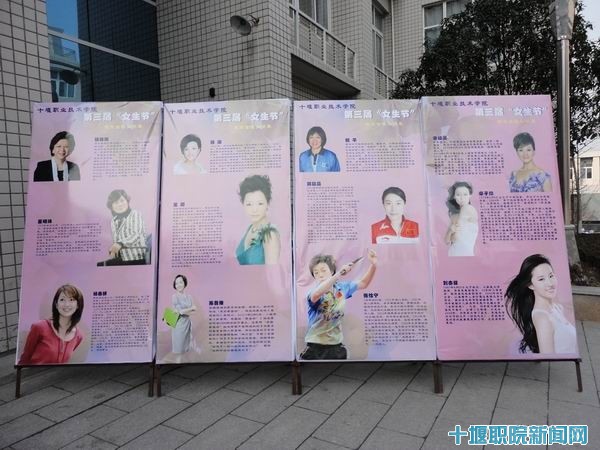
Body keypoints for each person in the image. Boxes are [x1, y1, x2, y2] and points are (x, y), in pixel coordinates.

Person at [300, 249, 377, 360]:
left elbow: (364, 283)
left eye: (323, 270)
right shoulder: (313, 293)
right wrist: (339, 274)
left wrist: (373, 265)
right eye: (316, 272)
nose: (320, 274)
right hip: (315, 346)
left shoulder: (342, 288)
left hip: (336, 345)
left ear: (331, 271)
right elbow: (317, 294)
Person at [505, 254, 577, 354]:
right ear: (530, 285)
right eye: (541, 279)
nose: (550, 284)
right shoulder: (542, 318)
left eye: (551, 276)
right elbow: (548, 358)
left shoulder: (557, 308)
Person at [18, 284, 84, 365]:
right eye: (62, 300)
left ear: (78, 305)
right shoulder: (39, 327)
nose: (67, 304)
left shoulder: (78, 336)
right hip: (34, 373)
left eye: (71, 300)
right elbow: (25, 359)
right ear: (56, 304)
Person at [236, 175, 280, 265]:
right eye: (249, 204)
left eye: (260, 203)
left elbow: (271, 271)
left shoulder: (270, 235)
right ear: (243, 204)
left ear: (267, 203)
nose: (254, 209)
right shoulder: (250, 228)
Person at [98, 189, 147, 266]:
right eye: (116, 203)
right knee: (100, 264)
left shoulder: (135, 214)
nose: (120, 204)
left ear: (127, 201)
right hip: (121, 258)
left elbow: (137, 234)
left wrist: (120, 243)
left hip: (136, 257)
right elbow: (115, 240)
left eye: (122, 201)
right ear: (111, 206)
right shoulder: (113, 220)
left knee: (102, 265)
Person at [445, 181, 478, 257]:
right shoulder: (455, 215)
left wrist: (450, 232)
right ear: (454, 196)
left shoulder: (468, 208)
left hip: (463, 253)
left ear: (470, 195)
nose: (462, 198)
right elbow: (447, 241)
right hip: (455, 253)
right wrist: (450, 232)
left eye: (465, 194)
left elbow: (454, 238)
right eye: (458, 195)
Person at [171, 274, 196, 363]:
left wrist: (185, 311)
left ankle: (183, 363)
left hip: (187, 324)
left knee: (186, 347)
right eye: (176, 283)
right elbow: (179, 312)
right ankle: (177, 364)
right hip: (178, 324)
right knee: (179, 348)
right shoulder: (174, 296)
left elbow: (194, 312)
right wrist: (190, 308)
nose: (178, 285)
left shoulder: (189, 297)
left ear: (185, 283)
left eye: (180, 282)